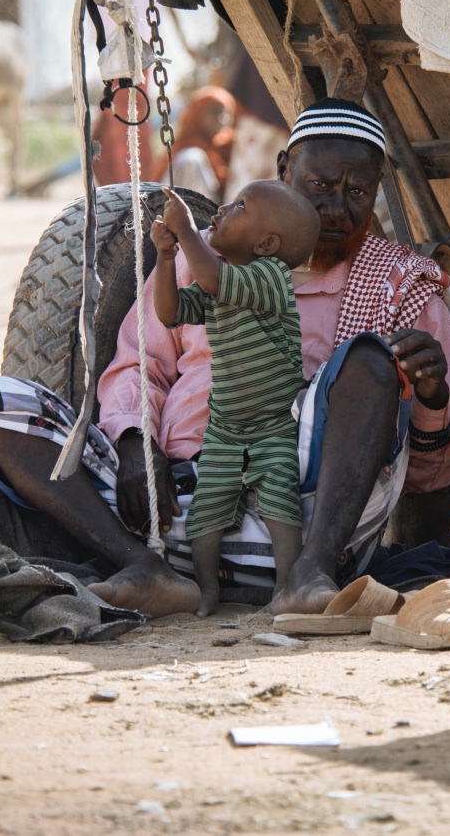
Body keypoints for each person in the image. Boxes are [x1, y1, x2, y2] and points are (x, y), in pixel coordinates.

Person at [0, 97, 450, 618]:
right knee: (3, 404)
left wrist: (429, 396)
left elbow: (432, 475)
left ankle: (306, 579)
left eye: (357, 192)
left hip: (304, 519)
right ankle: (143, 569)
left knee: (369, 359)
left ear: (377, 191)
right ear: (284, 169)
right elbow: (140, 366)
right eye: (319, 185)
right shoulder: (201, 256)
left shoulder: (402, 288)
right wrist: (136, 443)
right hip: (163, 508)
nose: (336, 209)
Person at [150, 180, 320, 615]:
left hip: (273, 429)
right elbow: (169, 313)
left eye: (239, 206)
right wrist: (166, 258)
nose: (222, 208)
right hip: (224, 431)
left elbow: (212, 276)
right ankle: (208, 591)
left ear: (266, 244)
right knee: (206, 516)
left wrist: (187, 232)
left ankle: (286, 588)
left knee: (281, 508)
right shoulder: (219, 288)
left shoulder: (270, 278)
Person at [150, 86, 235, 201]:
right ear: (197, 113)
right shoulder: (190, 156)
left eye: (225, 114)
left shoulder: (227, 149)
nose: (220, 119)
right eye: (214, 112)